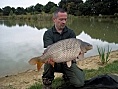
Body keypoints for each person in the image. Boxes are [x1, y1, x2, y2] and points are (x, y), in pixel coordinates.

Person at [42, 8, 85, 89]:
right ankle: (47, 82)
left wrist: (79, 53)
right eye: (61, 19)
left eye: (65, 19)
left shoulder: (71, 33)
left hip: (68, 63)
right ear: (54, 19)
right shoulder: (48, 33)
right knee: (47, 59)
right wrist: (47, 57)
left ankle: (67, 75)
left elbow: (77, 54)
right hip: (54, 62)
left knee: (80, 83)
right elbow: (49, 49)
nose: (64, 22)